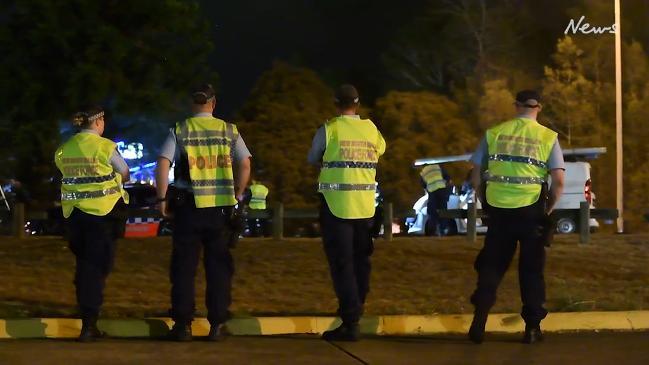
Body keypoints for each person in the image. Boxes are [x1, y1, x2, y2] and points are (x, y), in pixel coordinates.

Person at [155, 84, 251, 341]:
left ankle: (182, 326)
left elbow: (163, 163)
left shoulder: (181, 129)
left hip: (188, 208)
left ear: (192, 103)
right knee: (219, 269)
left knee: (184, 268)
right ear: (213, 103)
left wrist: (162, 199)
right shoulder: (228, 131)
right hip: (220, 210)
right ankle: (217, 325)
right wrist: (238, 195)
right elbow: (244, 163)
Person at [467, 90, 565, 344]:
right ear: (538, 108)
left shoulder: (495, 133)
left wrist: (485, 201)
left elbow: (476, 175)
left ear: (516, 106)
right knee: (531, 270)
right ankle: (532, 329)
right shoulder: (547, 137)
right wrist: (547, 211)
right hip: (531, 211)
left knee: (492, 265)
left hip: (499, 211)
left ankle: (479, 321)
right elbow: (559, 182)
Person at [308, 84, 386, 341]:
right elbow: (381, 150)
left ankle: (350, 320)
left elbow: (312, 158)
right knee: (362, 262)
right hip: (365, 206)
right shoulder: (371, 129)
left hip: (336, 206)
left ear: (336, 102)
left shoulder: (329, 129)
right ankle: (356, 310)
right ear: (358, 102)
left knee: (342, 265)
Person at [54, 107, 130, 342]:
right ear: (98, 122)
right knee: (97, 268)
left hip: (75, 216)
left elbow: (64, 172)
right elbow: (124, 172)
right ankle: (89, 323)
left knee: (85, 265)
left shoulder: (64, 149)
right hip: (103, 214)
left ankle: (88, 318)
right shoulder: (105, 146)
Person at [419, 164, 451, 236]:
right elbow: (448, 177)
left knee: (432, 211)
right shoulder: (437, 167)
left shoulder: (423, 172)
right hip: (442, 190)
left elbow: (423, 184)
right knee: (443, 210)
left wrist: (427, 187)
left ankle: (432, 231)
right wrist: (445, 184)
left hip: (432, 191)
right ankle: (443, 229)